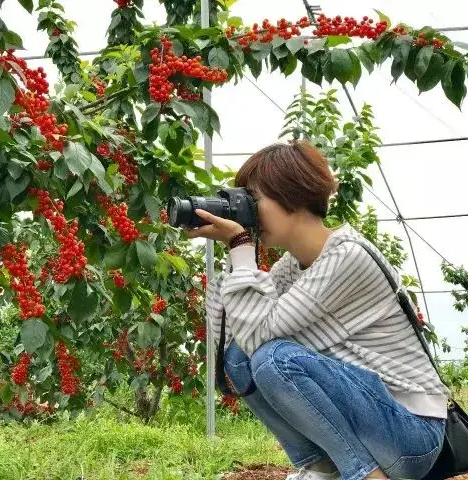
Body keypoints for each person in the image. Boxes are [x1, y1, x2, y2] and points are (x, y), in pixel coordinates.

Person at [184, 141, 448, 480]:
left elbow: (263, 334)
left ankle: (362, 474)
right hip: (376, 421)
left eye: (253, 201)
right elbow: (236, 336)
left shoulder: (347, 256)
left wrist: (241, 246)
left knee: (275, 359)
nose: (247, 212)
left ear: (291, 195)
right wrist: (234, 250)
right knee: (240, 357)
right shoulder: (295, 264)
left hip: (411, 433)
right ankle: (321, 467)